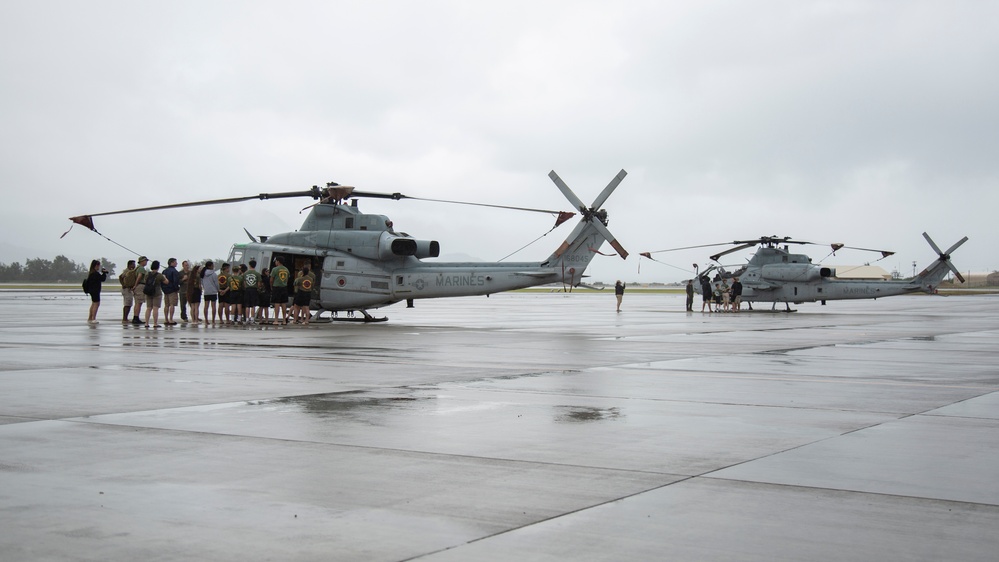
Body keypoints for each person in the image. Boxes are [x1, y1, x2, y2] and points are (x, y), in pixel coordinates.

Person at [142, 260, 167, 328]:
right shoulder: (159, 275)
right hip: (157, 292)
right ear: (158, 267)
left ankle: (146, 323)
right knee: (155, 308)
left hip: (148, 292)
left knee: (148, 308)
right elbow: (166, 282)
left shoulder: (147, 274)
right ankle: (155, 323)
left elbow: (145, 281)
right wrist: (164, 277)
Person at [84, 259, 108, 324]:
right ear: (96, 265)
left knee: (93, 303)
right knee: (96, 304)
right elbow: (102, 279)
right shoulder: (95, 274)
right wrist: (104, 273)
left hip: (91, 290)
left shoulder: (91, 273)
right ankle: (93, 318)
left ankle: (90, 318)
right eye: (98, 265)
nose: (99, 267)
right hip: (95, 291)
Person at [270, 257, 291, 324]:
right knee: (284, 304)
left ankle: (276, 320)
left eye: (276, 261)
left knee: (277, 304)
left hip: (276, 287)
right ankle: (284, 320)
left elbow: (271, 279)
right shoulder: (286, 269)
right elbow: (287, 279)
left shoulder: (275, 269)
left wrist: (271, 286)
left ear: (278, 261)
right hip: (284, 287)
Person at [162, 258, 181, 326]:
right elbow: (176, 281)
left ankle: (166, 319)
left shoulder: (164, 271)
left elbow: (162, 281)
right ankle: (171, 319)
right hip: (172, 290)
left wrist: (163, 289)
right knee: (172, 304)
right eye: (175, 262)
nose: (176, 263)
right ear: (172, 263)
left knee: (166, 305)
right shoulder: (174, 271)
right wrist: (177, 289)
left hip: (165, 290)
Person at [131, 256, 149, 325]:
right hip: (140, 286)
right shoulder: (141, 268)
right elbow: (139, 276)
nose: (146, 262)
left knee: (137, 303)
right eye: (145, 261)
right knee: (139, 303)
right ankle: (136, 317)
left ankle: (136, 317)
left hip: (138, 286)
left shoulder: (138, 268)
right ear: (142, 261)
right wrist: (135, 285)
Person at [119, 259, 137, 324]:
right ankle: (124, 318)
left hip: (129, 289)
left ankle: (125, 318)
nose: (134, 265)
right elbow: (120, 277)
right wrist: (123, 284)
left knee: (129, 304)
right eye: (133, 264)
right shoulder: (127, 271)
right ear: (130, 265)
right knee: (127, 304)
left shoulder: (132, 271)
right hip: (126, 289)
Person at [242, 260, 261, 325]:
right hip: (254, 290)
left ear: (249, 265)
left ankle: (247, 319)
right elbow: (259, 284)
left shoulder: (245, 273)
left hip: (247, 290)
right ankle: (252, 319)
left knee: (247, 305)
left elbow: (244, 283)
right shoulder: (257, 274)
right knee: (253, 305)